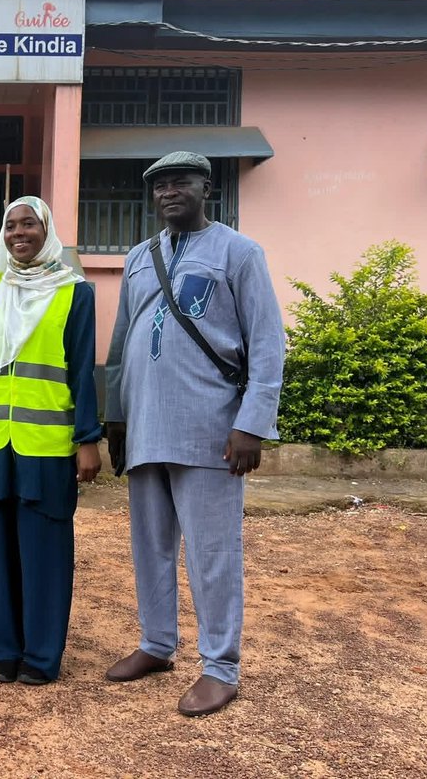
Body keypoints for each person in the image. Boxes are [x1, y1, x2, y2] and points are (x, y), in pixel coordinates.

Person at [103, 151, 285, 717]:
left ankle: (220, 667)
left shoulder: (239, 252)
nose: (168, 192)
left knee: (212, 551)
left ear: (207, 187)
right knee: (149, 546)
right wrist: (116, 418)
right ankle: (158, 644)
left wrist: (251, 423)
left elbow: (267, 342)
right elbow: (119, 346)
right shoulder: (138, 258)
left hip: (210, 430)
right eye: (158, 186)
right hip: (146, 427)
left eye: (180, 182)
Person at [0, 196, 101, 686]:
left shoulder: (74, 292)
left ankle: (42, 657)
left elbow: (83, 371)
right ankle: (0, 650)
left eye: (29, 224)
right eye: (10, 226)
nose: (18, 233)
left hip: (47, 442)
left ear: (47, 232)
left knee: (43, 550)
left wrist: (88, 439)